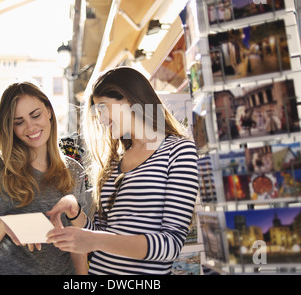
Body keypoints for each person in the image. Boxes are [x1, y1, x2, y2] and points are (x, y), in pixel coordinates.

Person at [46, 67, 199, 275]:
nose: (101, 120)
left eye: (103, 108)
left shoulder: (179, 151)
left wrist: (95, 239)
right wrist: (75, 212)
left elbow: (170, 245)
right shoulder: (113, 161)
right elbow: (102, 234)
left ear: (130, 101)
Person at [0, 82, 88, 275]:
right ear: (10, 127)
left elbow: (79, 244)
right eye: (19, 121)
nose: (30, 127)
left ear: (49, 111)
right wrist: (5, 225)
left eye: (35, 115)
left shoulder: (74, 171)